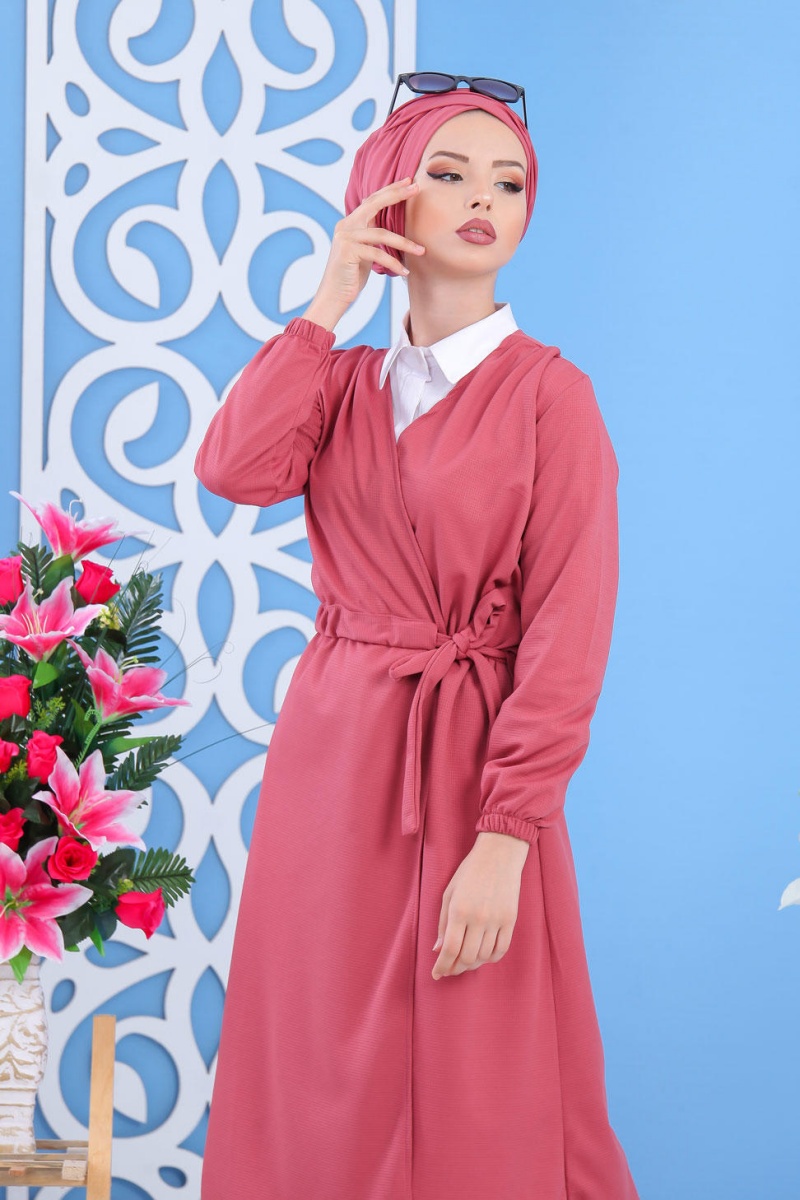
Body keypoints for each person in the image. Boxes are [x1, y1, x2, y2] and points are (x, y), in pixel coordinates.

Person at [194, 76, 640, 1200]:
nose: (485, 200)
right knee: (316, 1059)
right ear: (385, 197)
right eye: (449, 174)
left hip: (473, 767)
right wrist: (327, 302)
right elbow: (234, 469)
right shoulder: (339, 384)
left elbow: (568, 634)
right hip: (333, 760)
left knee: (479, 1065)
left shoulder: (551, 399)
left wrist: (507, 835)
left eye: (509, 182)